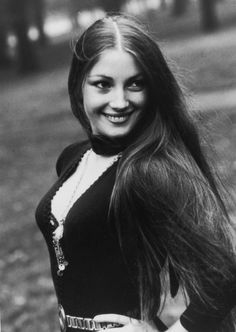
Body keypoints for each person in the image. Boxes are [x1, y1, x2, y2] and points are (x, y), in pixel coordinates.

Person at [35, 14, 236, 332]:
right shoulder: (72, 158)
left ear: (153, 89)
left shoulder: (150, 170)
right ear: (79, 86)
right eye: (102, 84)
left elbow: (223, 273)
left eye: (135, 84)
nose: (119, 101)